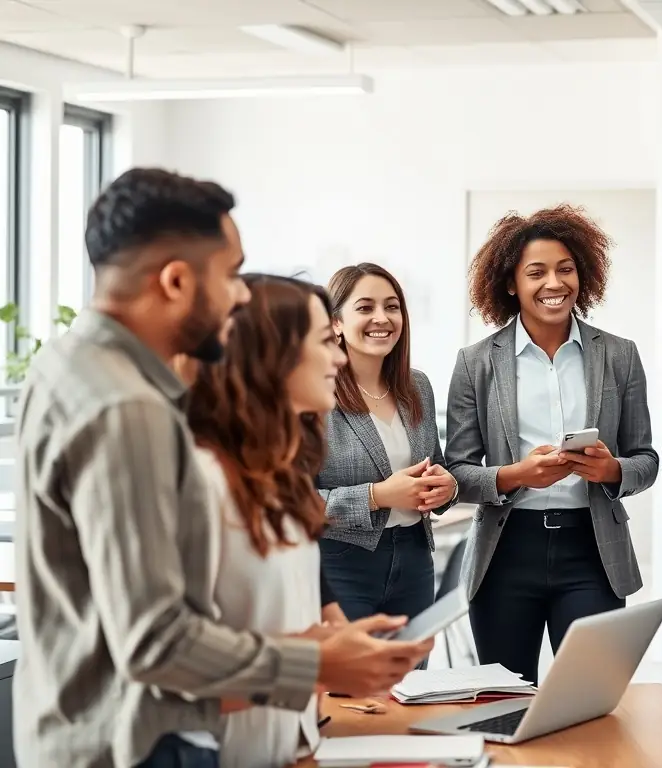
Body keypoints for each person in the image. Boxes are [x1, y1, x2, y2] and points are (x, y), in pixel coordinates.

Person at [12, 168, 432, 768]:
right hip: (131, 744)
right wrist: (318, 663)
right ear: (177, 281)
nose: (240, 296)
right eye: (230, 274)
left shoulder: (66, 363)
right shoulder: (128, 407)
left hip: (84, 727)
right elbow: (157, 640)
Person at [445, 204, 659, 684]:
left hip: (592, 549)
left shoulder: (620, 355)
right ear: (510, 283)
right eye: (536, 272)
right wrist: (515, 475)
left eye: (565, 269)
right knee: (504, 704)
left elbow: (646, 458)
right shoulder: (476, 363)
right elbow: (456, 473)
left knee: (589, 699)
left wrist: (612, 471)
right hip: (505, 553)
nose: (554, 283)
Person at [184, 274, 345, 767]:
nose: (341, 358)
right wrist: (319, 663)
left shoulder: (284, 479)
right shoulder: (201, 481)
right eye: (326, 342)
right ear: (271, 355)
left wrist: (331, 649)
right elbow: (177, 676)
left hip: (288, 748)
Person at [317, 263, 457, 625]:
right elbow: (291, 502)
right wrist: (376, 496)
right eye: (365, 308)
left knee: (413, 681)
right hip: (341, 565)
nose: (382, 318)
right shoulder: (315, 392)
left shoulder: (417, 386)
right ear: (335, 323)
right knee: (350, 681)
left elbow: (437, 466)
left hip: (414, 561)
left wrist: (446, 487)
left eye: (391, 307)